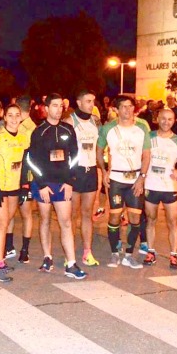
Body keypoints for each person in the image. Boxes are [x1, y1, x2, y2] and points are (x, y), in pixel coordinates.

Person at [25, 93, 87, 279]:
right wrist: (42, 184)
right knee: (45, 219)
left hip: (63, 183)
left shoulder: (68, 129)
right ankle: (47, 257)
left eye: (61, 106)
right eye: (54, 106)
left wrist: (69, 181)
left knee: (66, 222)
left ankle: (71, 263)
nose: (59, 109)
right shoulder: (39, 131)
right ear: (46, 108)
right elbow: (31, 160)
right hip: (43, 184)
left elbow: (75, 156)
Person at [97, 95, 151, 269]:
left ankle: (129, 255)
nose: (128, 110)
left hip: (135, 180)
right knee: (114, 216)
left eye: (130, 106)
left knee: (135, 218)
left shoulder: (141, 128)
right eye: (124, 107)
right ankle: (114, 253)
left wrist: (142, 177)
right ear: (117, 109)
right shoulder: (108, 128)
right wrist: (104, 170)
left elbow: (146, 155)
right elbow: (99, 150)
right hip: (116, 180)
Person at [143, 109, 177, 269]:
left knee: (172, 221)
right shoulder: (149, 137)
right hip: (150, 184)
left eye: (170, 119)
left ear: (174, 120)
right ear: (157, 119)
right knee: (151, 220)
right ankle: (150, 252)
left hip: (169, 186)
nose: (166, 122)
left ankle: (173, 254)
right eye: (163, 118)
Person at [0, 104, 27, 283]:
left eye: (17, 115)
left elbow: (24, 164)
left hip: (14, 187)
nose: (14, 118)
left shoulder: (23, 138)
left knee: (8, 221)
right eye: (10, 115)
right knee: (2, 224)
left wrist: (24, 186)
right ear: (5, 117)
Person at [68, 90, 101, 266]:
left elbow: (99, 148)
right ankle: (70, 252)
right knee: (72, 214)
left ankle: (87, 252)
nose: (91, 104)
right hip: (75, 171)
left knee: (87, 213)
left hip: (91, 171)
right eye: (88, 101)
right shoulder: (70, 121)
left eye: (93, 101)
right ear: (79, 102)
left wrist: (103, 170)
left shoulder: (95, 121)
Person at [11, 95, 37, 263]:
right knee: (26, 214)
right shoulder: (35, 127)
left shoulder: (19, 127)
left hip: (19, 175)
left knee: (10, 213)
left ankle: (9, 247)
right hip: (28, 176)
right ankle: (24, 250)